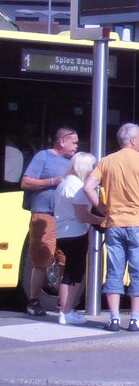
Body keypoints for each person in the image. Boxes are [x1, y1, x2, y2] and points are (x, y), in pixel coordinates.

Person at [84, 123, 139, 332]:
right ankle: (136, 318)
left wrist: (102, 208)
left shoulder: (106, 161)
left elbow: (88, 187)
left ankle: (113, 318)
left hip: (114, 223)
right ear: (132, 140)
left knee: (114, 270)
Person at [19, 127, 79, 316]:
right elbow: (26, 182)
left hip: (67, 218)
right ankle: (34, 301)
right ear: (62, 141)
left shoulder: (73, 162)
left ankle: (65, 305)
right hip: (45, 215)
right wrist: (54, 181)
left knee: (65, 261)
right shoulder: (43, 157)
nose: (77, 146)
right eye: (74, 143)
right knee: (42, 260)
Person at [52, 151, 103, 324]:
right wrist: (103, 221)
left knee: (68, 272)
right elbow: (83, 215)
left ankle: (65, 310)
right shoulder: (78, 187)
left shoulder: (65, 183)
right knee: (74, 274)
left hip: (63, 232)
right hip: (76, 232)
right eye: (93, 167)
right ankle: (66, 312)